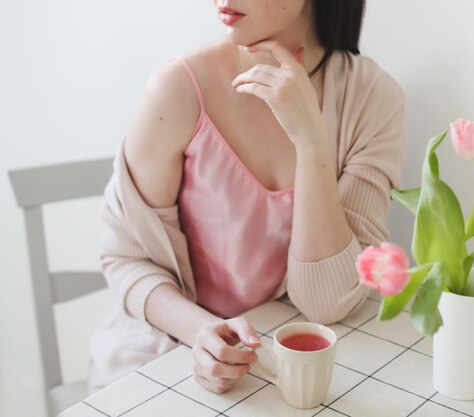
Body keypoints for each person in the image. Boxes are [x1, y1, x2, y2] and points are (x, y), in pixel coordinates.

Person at [89, 0, 405, 394]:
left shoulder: (372, 99)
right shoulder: (178, 88)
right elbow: (125, 259)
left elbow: (329, 302)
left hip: (277, 353)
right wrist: (201, 332)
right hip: (163, 348)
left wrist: (310, 141)